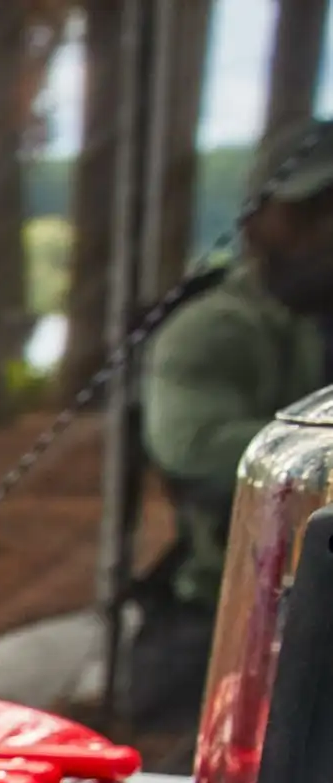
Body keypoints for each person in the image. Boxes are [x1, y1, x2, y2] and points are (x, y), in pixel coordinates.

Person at [137, 124, 333, 722]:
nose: (325, 230)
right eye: (307, 211)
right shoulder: (215, 328)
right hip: (231, 612)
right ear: (256, 220)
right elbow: (192, 449)